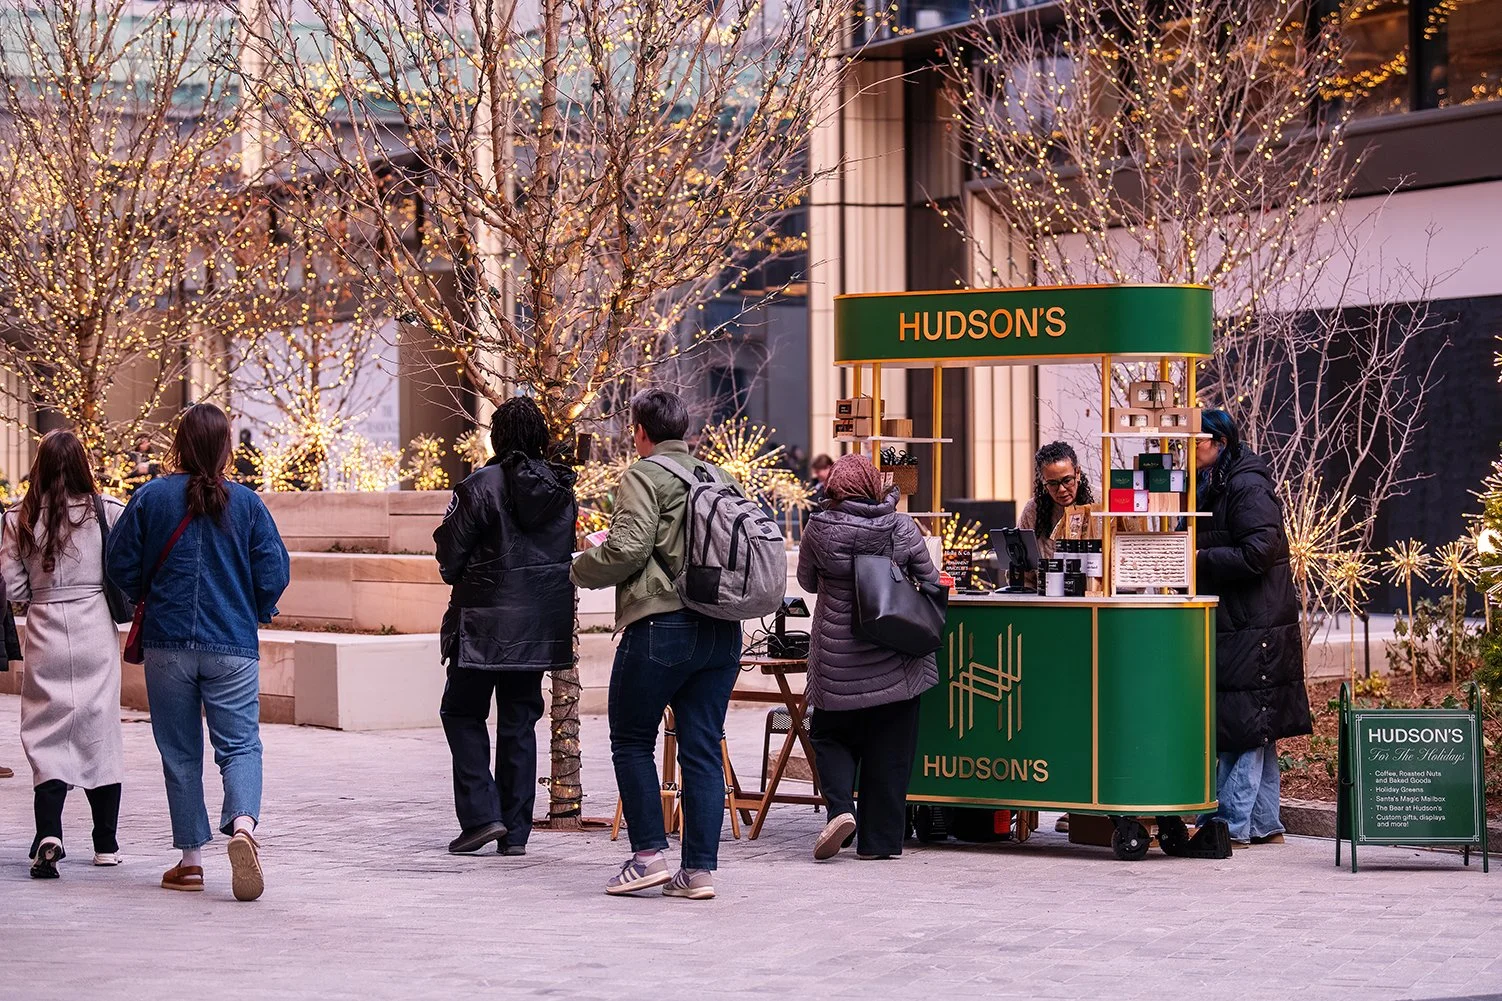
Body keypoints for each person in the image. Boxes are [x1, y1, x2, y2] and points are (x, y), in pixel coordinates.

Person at [108, 403, 290, 900]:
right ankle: (244, 827)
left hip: (167, 641)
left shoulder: (149, 497)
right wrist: (252, 605)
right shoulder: (248, 504)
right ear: (226, 447)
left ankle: (190, 861)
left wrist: (146, 589)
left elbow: (119, 562)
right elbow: (275, 572)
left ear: (179, 445)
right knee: (240, 744)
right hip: (231, 640)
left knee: (179, 750)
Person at [572, 389, 743, 901]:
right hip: (722, 630)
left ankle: (648, 854)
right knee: (702, 748)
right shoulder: (720, 476)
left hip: (662, 627)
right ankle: (699, 872)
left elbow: (627, 549)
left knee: (630, 740)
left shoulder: (643, 475)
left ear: (640, 431)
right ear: (685, 430)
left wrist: (579, 567)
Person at [433, 397, 578, 857]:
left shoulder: (478, 486)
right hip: (538, 625)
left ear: (497, 438)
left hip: (481, 624)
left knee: (461, 712)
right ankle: (514, 831)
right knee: (519, 721)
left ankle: (481, 816)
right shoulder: (561, 491)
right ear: (541, 439)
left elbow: (448, 558)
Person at [797, 453, 938, 861]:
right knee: (890, 748)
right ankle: (879, 843)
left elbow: (806, 581)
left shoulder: (819, 528)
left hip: (837, 661)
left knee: (829, 736)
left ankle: (841, 809)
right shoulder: (900, 526)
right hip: (895, 659)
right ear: (875, 485)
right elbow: (929, 580)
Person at [0, 431, 127, 879]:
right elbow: (127, 567)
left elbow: (13, 587)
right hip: (94, 623)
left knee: (45, 730)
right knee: (99, 728)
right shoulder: (106, 510)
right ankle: (106, 843)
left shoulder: (18, 516)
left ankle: (50, 832)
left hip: (45, 627)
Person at [1195, 408, 1310, 848]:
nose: (1188, 449)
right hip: (1244, 619)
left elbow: (1260, 550)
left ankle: (1229, 823)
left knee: (1245, 719)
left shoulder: (1246, 483)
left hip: (1255, 620)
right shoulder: (1219, 480)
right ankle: (1265, 823)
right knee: (1255, 719)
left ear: (1220, 442)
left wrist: (1198, 559)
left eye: (1196, 441)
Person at [1017, 440, 1095, 560]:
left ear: (1077, 473)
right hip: (1044, 578)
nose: (1062, 489)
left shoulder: (1100, 504)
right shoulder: (1033, 510)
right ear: (1043, 481)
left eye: (1067, 480)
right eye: (1053, 483)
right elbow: (1022, 568)